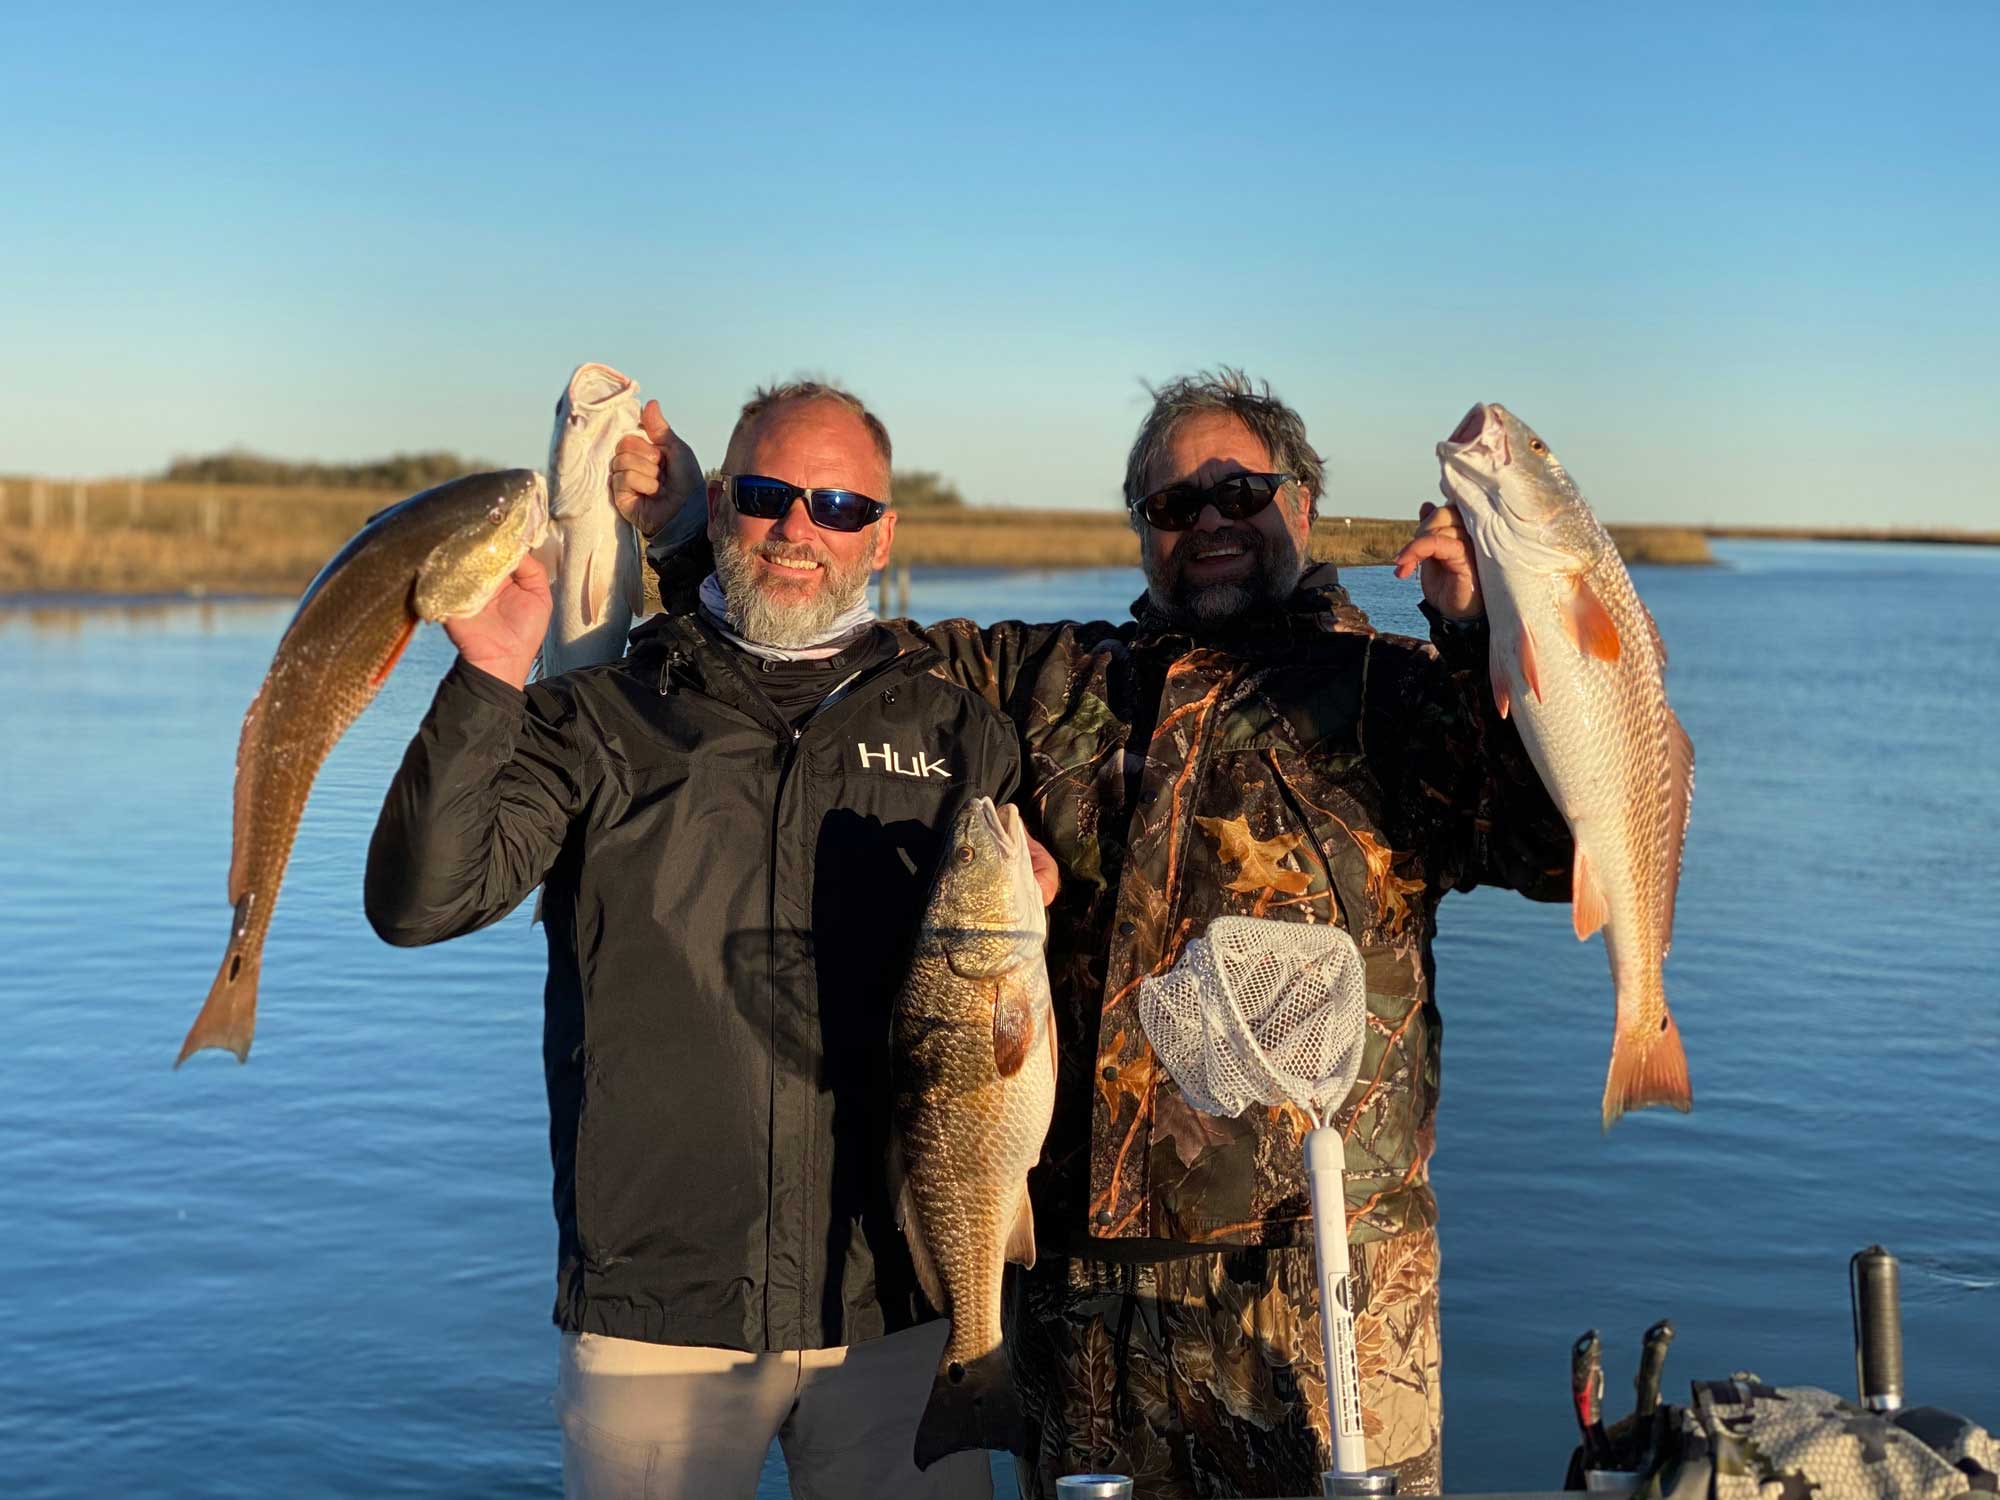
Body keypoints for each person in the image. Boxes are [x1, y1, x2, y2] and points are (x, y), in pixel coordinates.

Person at [624, 368, 1574, 1496]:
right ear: (1142, 531)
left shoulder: (1392, 696)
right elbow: (807, 658)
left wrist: (1477, 631)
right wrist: (693, 539)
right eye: (1174, 507)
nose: (1209, 523)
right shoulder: (1043, 678)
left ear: (1303, 505)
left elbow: (1551, 850)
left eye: (1239, 493)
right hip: (1073, 1291)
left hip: (1318, 1282)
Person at [365, 380, 1037, 1499]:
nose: (797, 531)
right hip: (657, 1312)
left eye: (836, 505)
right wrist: (486, 677)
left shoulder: (956, 733)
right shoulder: (602, 713)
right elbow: (421, 903)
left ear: (882, 533)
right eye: (769, 495)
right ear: (719, 504)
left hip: (901, 1304)